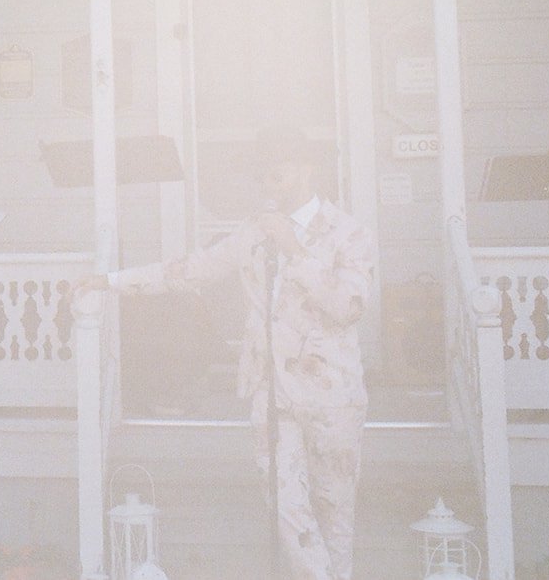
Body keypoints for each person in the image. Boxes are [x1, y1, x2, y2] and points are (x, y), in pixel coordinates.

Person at [82, 128, 376, 580]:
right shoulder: (255, 232)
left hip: (331, 395)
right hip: (271, 395)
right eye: (263, 174)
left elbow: (348, 307)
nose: (268, 182)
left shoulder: (348, 233)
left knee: (335, 514)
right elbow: (192, 270)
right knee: (287, 508)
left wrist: (294, 249)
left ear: (306, 170)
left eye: (278, 171)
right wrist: (110, 281)